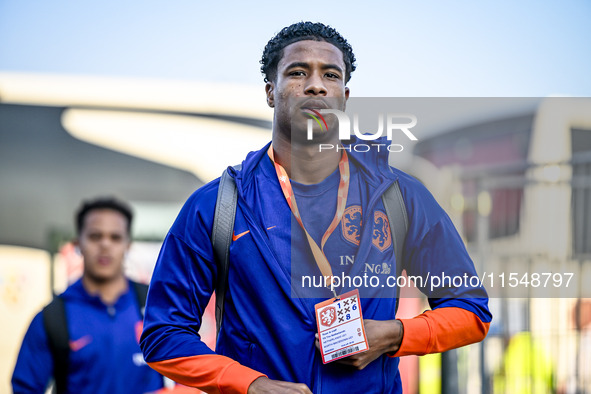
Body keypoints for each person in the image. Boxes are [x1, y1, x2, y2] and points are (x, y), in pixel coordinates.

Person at [140, 21, 492, 393]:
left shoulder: (399, 196)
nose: (316, 84)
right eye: (297, 72)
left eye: (330, 75)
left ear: (344, 95)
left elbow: (471, 311)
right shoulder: (217, 205)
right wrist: (251, 385)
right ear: (270, 92)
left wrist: (395, 334)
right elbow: (163, 334)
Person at [12, 197, 164, 393]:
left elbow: (186, 377)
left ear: (128, 245)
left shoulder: (157, 306)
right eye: (95, 236)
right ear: (78, 244)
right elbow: (25, 389)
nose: (105, 245)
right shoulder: (53, 318)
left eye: (115, 237)